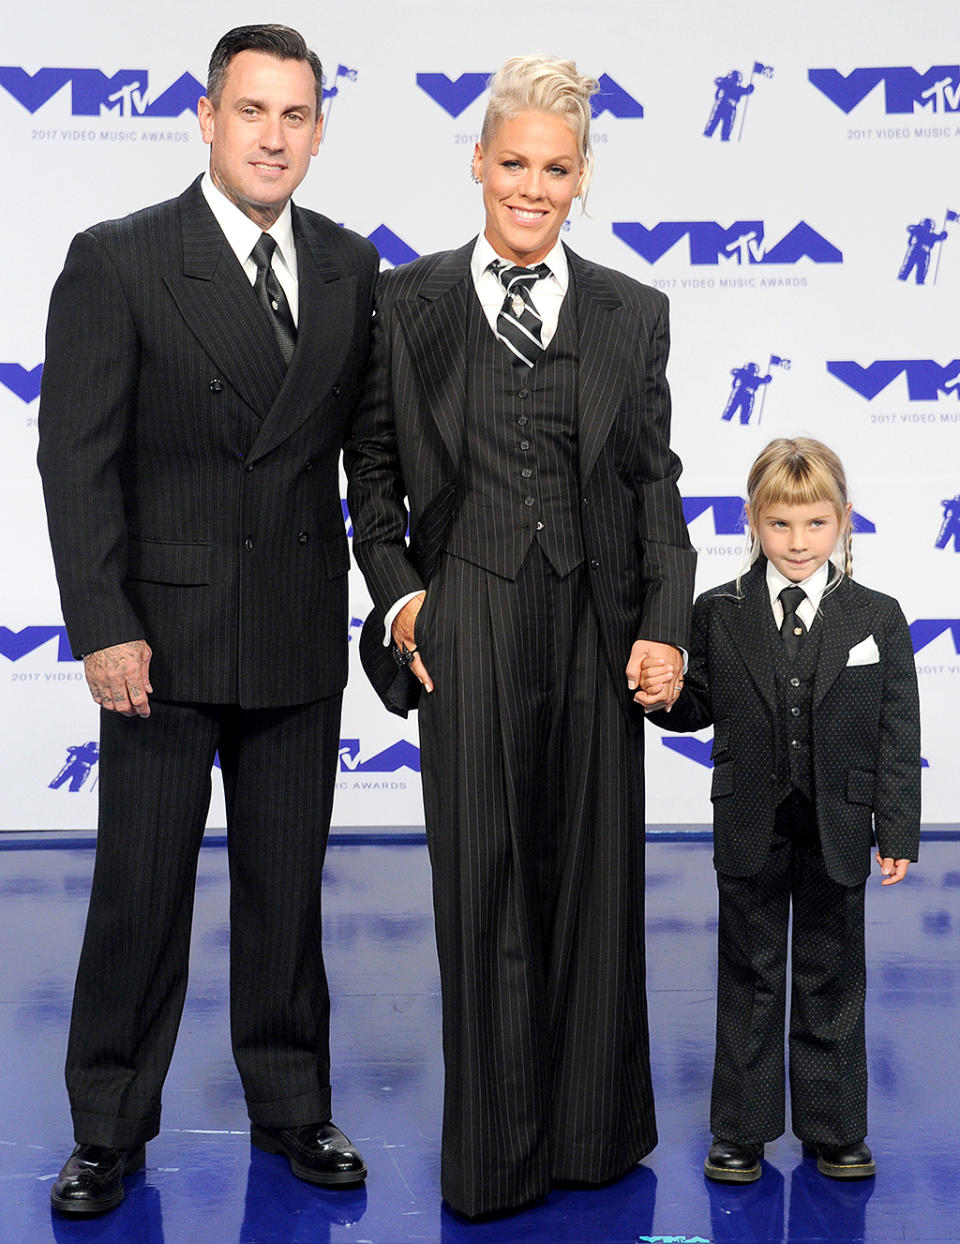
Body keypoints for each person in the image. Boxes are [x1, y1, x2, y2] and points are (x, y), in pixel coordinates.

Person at [345, 55, 695, 1218]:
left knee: (598, 883)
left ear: (582, 176)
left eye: (556, 168)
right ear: (479, 164)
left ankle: (593, 1136)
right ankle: (495, 1157)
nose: (532, 187)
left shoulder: (632, 313)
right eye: (514, 164)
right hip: (473, 614)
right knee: (482, 883)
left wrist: (664, 621)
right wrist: (402, 600)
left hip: (596, 621)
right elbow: (376, 475)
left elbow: (654, 487)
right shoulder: (409, 302)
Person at [37, 24, 378, 1215]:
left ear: (319, 131)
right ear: (206, 117)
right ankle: (107, 1126)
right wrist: (101, 622)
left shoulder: (348, 264)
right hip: (162, 642)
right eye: (253, 111)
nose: (274, 136)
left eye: (296, 116)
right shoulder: (120, 259)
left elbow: (368, 454)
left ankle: (293, 1105)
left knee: (288, 892)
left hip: (293, 628)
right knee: (140, 891)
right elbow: (75, 462)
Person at [640, 437, 920, 1185]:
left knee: (834, 974)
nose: (798, 543)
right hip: (749, 822)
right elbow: (695, 704)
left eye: (816, 525)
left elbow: (898, 732)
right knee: (751, 975)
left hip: (838, 824)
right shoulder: (717, 613)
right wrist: (666, 696)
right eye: (780, 526)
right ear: (752, 524)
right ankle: (742, 1130)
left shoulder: (879, 617)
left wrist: (896, 828)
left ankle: (834, 1129)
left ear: (845, 522)